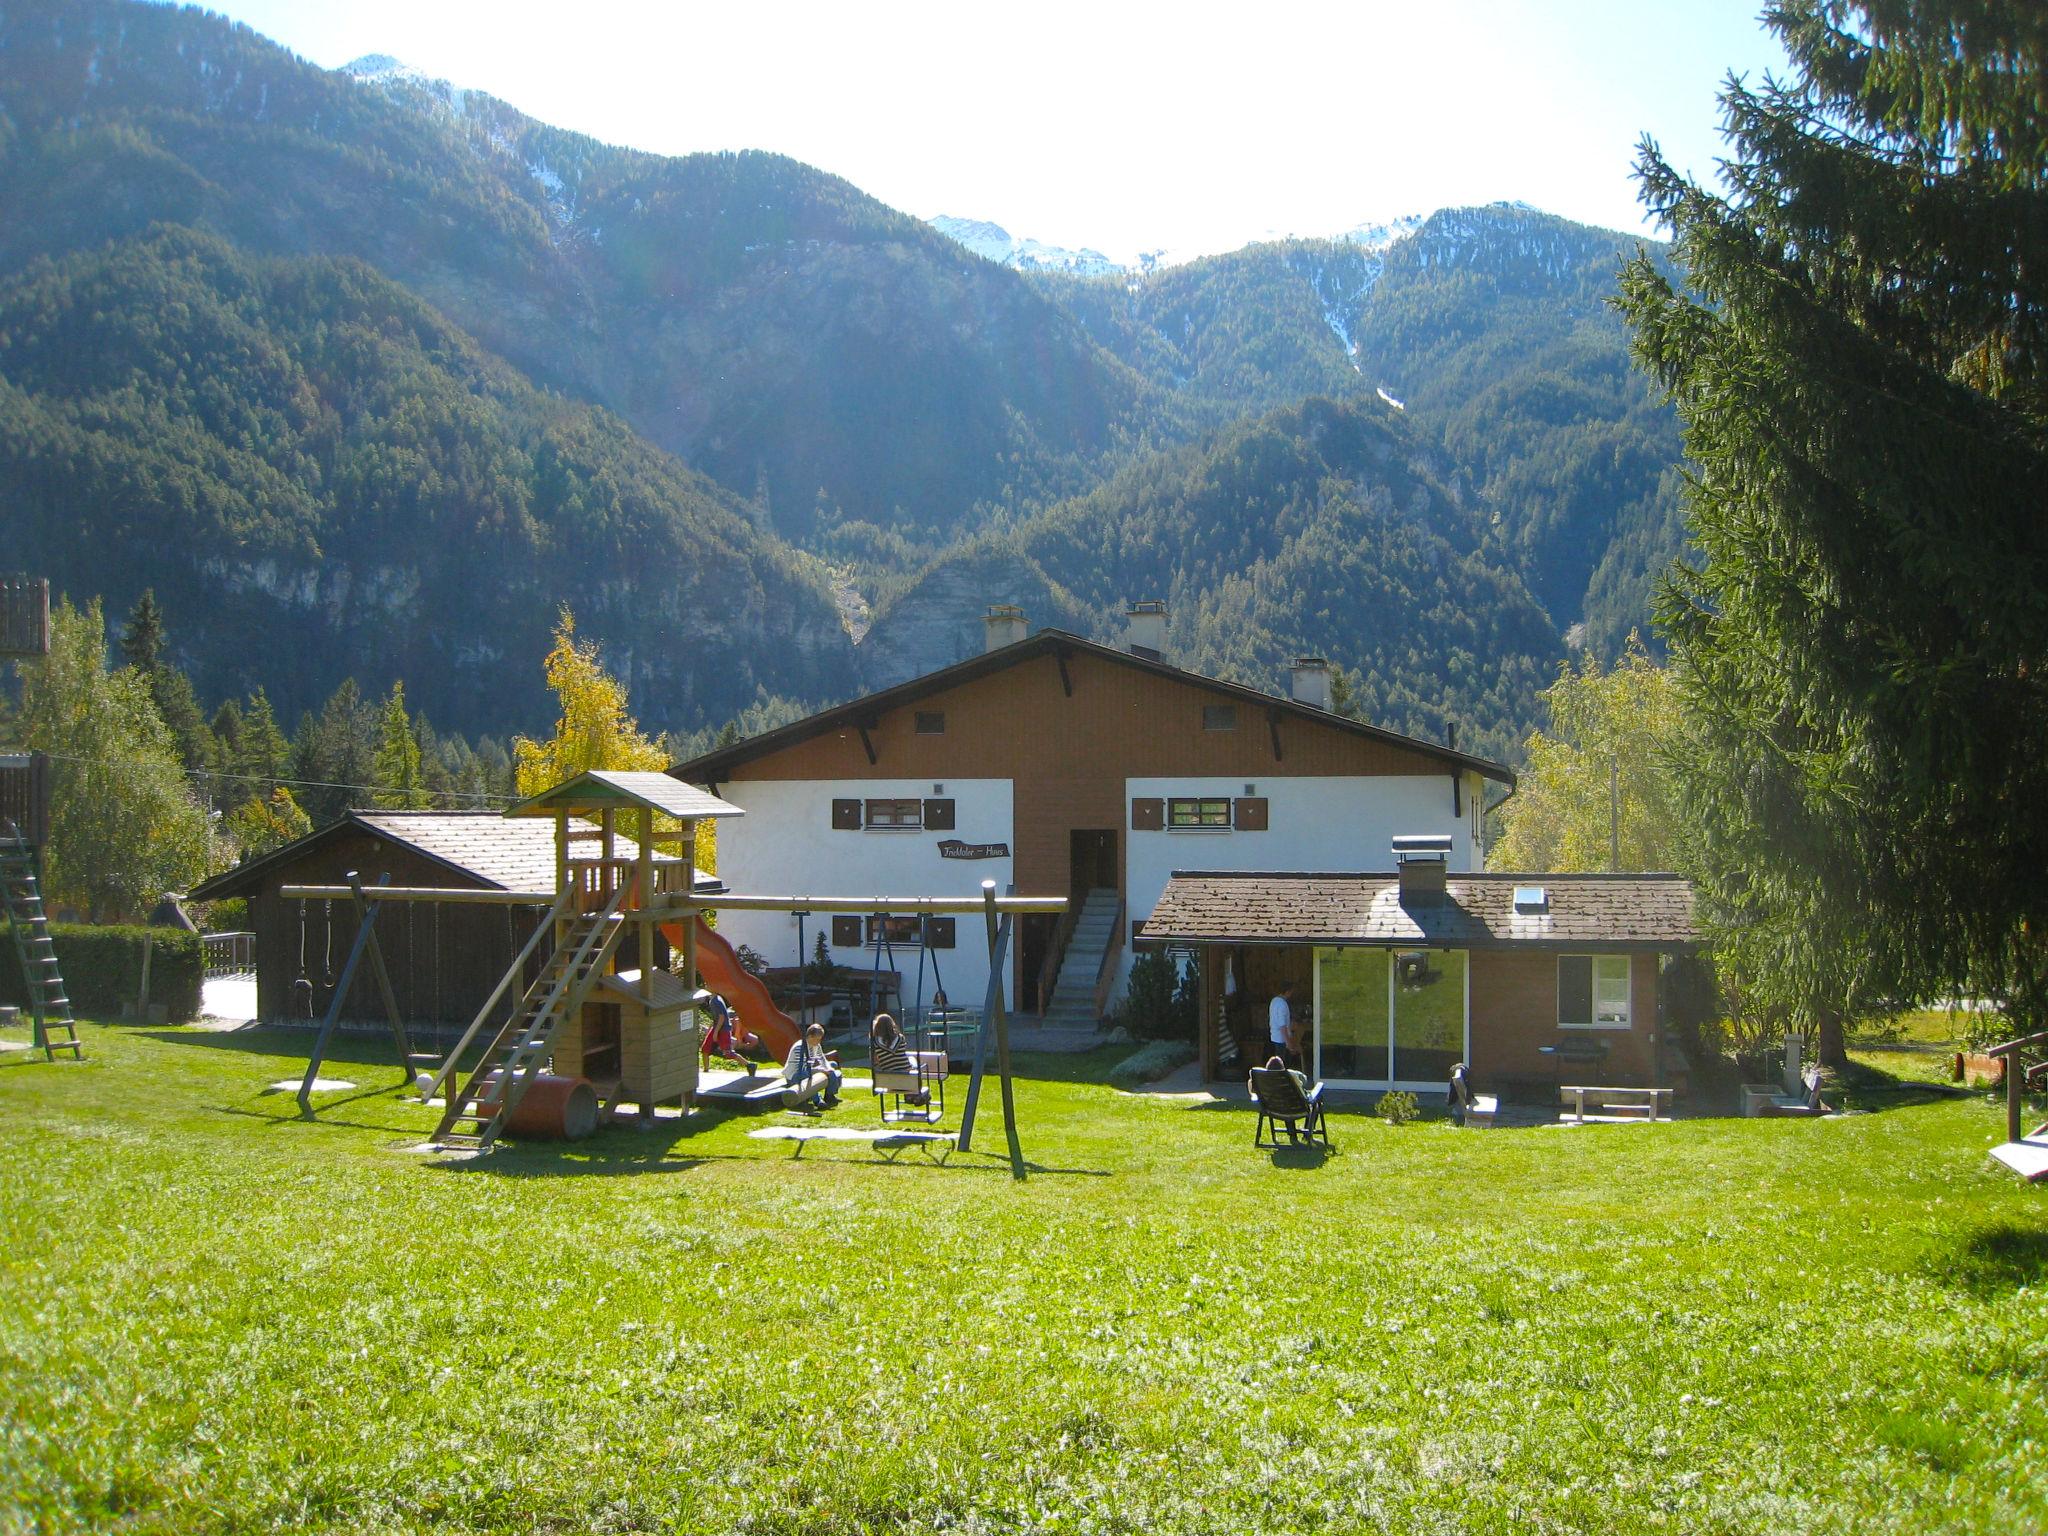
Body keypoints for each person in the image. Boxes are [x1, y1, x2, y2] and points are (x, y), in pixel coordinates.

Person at [868, 1012, 930, 1107]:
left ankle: (911, 1095)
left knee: (898, 1067)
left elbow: (875, 1061)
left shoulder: (874, 1042)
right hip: (907, 1080)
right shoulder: (900, 1038)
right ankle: (915, 1094)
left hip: (889, 1082)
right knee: (912, 1061)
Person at [780, 1021, 841, 1111]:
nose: (819, 1041)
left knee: (833, 1065)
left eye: (820, 1039)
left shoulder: (816, 1046)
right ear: (810, 1036)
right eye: (817, 1039)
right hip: (794, 1076)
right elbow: (801, 1070)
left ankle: (830, 1095)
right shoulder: (800, 1047)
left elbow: (822, 1059)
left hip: (806, 1071)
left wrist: (828, 1068)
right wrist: (820, 1070)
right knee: (806, 1075)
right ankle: (817, 1101)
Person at [1269, 981, 1299, 1071]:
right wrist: (1288, 1043)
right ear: (1288, 991)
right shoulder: (1282, 1004)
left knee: (1277, 1064)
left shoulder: (1274, 1001)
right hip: (1282, 1039)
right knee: (1283, 1066)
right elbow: (1282, 1026)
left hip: (1274, 1036)